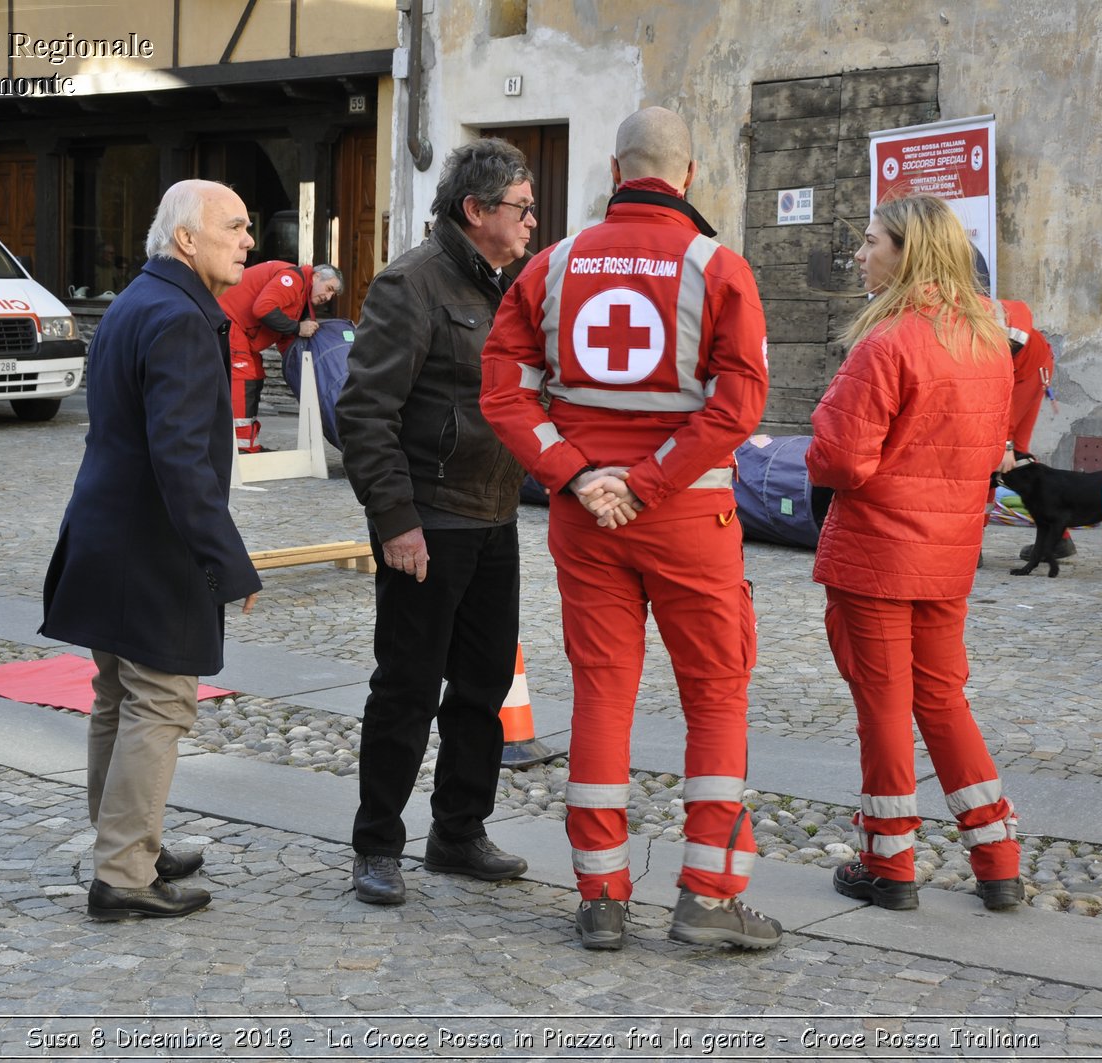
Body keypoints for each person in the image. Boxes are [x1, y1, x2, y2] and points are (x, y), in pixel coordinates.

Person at [480, 106, 781, 951]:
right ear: (688, 175)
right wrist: (648, 483)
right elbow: (739, 402)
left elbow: (505, 390)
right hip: (688, 512)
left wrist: (578, 475)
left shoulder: (551, 265)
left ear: (614, 172)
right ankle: (710, 895)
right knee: (716, 691)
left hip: (588, 518)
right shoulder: (717, 266)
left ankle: (602, 895)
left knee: (602, 694)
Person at [41, 180, 264, 921]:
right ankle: (124, 871)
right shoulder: (177, 318)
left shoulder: (136, 301)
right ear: (186, 240)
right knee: (160, 704)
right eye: (234, 227)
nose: (249, 241)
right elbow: (181, 461)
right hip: (149, 546)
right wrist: (227, 559)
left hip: (107, 532)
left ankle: (131, 841)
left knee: (118, 699)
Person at [806, 193, 1024, 913]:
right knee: (942, 698)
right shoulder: (987, 343)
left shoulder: (889, 341)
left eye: (871, 243)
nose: (860, 256)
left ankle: (889, 861)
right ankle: (997, 856)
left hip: (878, 552)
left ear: (909, 252)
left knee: (884, 707)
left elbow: (840, 459)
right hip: (948, 552)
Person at [335, 139, 534, 907]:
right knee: (408, 688)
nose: (530, 219)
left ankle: (459, 830)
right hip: (430, 520)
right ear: (474, 210)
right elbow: (365, 411)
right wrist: (395, 520)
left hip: (493, 514)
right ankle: (377, 843)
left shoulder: (507, 284)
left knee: (483, 687)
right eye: (519, 207)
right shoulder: (410, 283)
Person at [220, 261, 343, 452]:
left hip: (240, 332)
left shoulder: (302, 300)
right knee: (245, 377)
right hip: (229, 324)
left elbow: (286, 340)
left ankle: (246, 443)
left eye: (332, 295)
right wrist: (297, 328)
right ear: (316, 276)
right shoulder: (294, 279)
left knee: (256, 375)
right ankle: (243, 448)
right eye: (328, 289)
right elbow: (263, 308)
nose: (328, 297)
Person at [995, 299, 1069, 561]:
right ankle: (1059, 537)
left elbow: (1005, 411)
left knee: (1006, 456)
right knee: (1015, 456)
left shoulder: (1006, 338)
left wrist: (1005, 446)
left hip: (1029, 370)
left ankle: (971, 546)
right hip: (1031, 364)